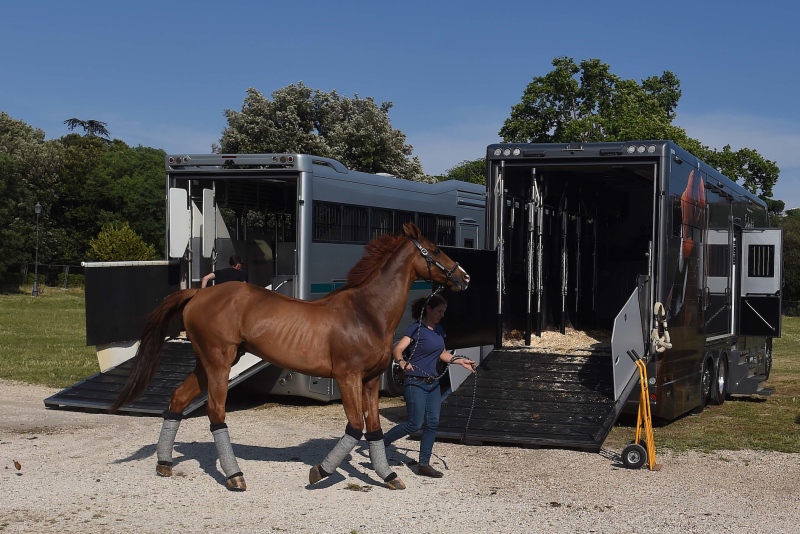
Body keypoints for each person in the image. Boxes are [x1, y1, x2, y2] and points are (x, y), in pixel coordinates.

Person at [384, 294, 477, 478]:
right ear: (428, 309)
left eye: (444, 312)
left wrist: (460, 362)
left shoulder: (439, 330)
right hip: (415, 382)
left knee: (432, 423)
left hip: (432, 383)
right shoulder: (416, 329)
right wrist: (401, 362)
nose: (441, 315)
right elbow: (397, 349)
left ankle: (424, 465)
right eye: (439, 311)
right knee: (414, 424)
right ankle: (380, 444)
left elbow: (442, 353)